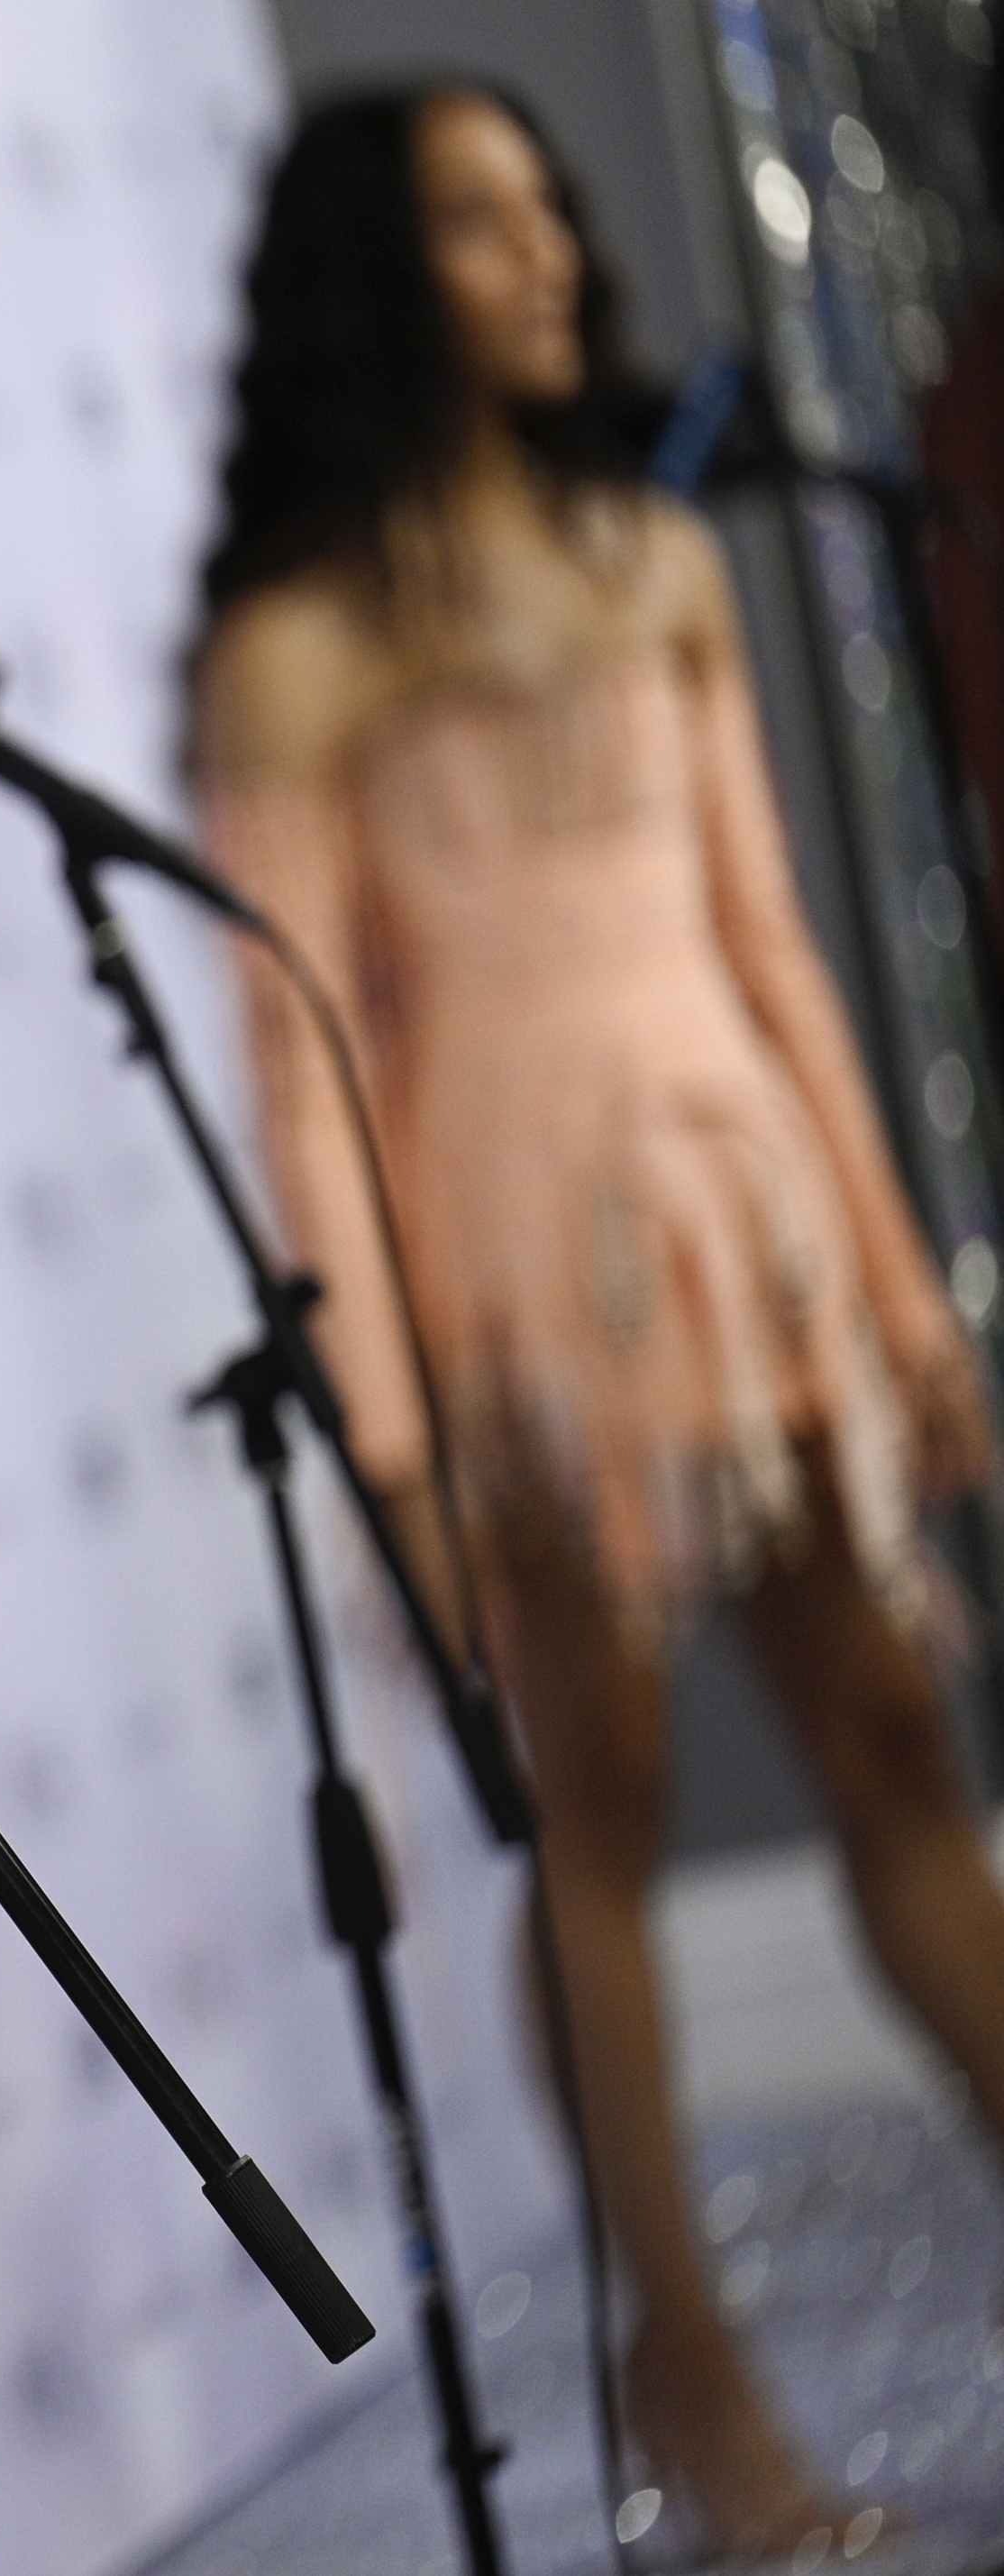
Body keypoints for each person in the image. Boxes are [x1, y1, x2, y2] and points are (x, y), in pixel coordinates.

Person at [191, 86, 1004, 2554]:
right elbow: (306, 1070)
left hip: (746, 1224)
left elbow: (773, 946)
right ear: (374, 271)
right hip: (519, 1280)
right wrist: (401, 1445)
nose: (548, 257)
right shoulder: (302, 641)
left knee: (898, 1729)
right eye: (483, 220)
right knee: (603, 1825)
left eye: (552, 210)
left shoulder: (653, 552)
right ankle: (697, 2381)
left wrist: (895, 1287)